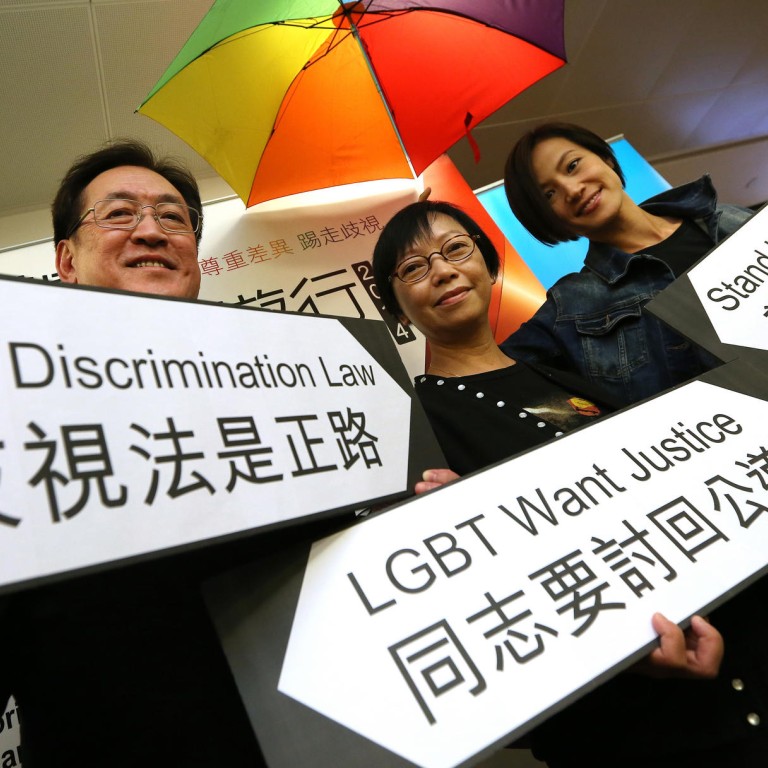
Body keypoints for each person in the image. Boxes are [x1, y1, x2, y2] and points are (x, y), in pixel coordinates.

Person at [370, 199, 768, 768]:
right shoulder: (414, 430)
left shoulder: (565, 369)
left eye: (456, 249)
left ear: (488, 264)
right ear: (398, 308)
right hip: (633, 725)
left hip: (738, 660)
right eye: (413, 268)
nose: (442, 270)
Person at [0, 141, 266, 767]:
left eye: (173, 217)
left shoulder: (288, 390)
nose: (152, 231)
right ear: (66, 259)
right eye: (119, 214)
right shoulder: (19, 414)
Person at [502, 122, 754, 406]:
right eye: (549, 195)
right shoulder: (571, 308)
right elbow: (490, 377)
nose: (571, 190)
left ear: (605, 158)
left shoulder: (728, 218)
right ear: (547, 219)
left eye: (572, 165)